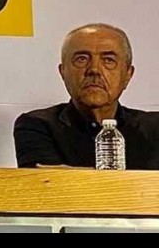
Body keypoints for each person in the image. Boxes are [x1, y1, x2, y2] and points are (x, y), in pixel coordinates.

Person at [14, 23, 159, 169]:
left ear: (128, 75)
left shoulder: (154, 128)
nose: (94, 69)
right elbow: (45, 180)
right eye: (81, 59)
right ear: (63, 72)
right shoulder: (37, 126)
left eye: (108, 60)